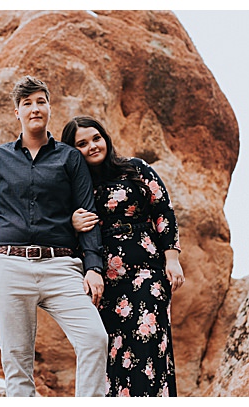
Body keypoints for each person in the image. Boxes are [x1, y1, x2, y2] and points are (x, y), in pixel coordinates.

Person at [0, 77, 108, 397]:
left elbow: (87, 215)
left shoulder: (70, 158)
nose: (35, 108)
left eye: (40, 101)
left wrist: (93, 267)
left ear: (49, 108)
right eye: (27, 103)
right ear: (17, 112)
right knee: (16, 361)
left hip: (61, 266)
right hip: (8, 264)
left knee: (94, 338)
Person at [61, 116, 185, 397]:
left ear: (105, 138)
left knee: (149, 343)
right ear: (71, 150)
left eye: (96, 138)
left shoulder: (136, 168)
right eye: (81, 143)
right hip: (104, 280)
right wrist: (72, 222)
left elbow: (163, 210)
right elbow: (56, 226)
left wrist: (172, 258)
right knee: (112, 351)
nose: (92, 146)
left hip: (147, 272)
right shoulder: (72, 188)